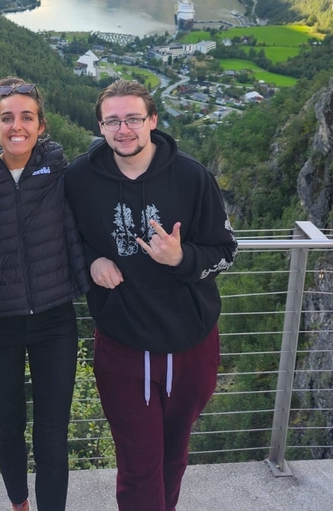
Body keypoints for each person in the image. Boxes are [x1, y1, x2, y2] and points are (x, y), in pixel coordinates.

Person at [65, 79, 237, 511]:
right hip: (124, 345)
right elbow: (61, 236)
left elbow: (225, 251)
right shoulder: (81, 178)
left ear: (153, 121)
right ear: (101, 127)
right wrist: (89, 260)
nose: (124, 129)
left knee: (174, 457)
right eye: (113, 121)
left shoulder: (192, 177)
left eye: (134, 119)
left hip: (192, 342)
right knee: (139, 464)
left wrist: (182, 258)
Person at [0, 77, 90, 511]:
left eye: (27, 117)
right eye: (7, 118)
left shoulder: (58, 167)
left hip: (55, 319)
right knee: (9, 426)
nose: (17, 126)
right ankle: (19, 506)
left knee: (53, 431)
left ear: (42, 125)